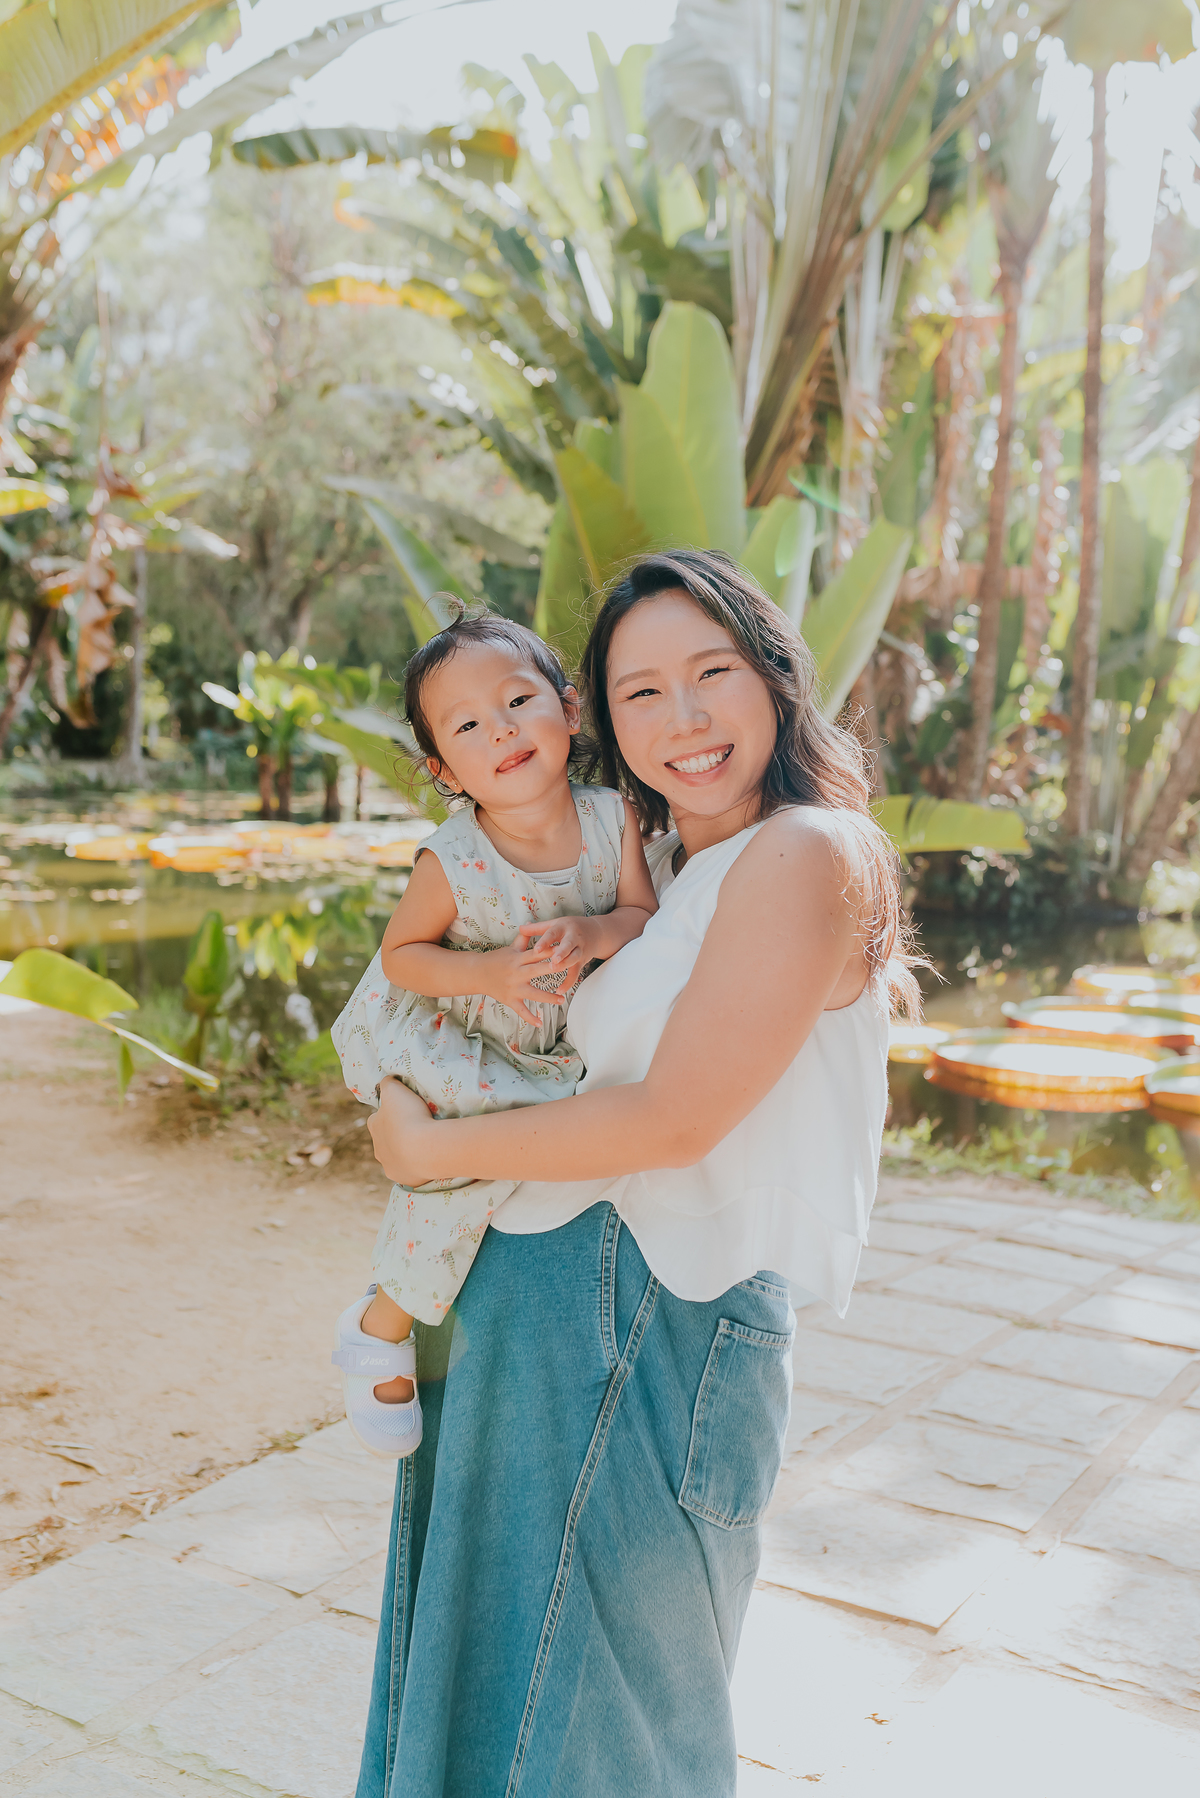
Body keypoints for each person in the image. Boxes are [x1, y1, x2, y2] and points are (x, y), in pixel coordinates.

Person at [356, 550, 921, 1798]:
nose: (684, 718)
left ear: (773, 676)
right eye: (642, 692)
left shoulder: (807, 852)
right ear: (603, 721)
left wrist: (432, 1150)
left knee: (604, 1735)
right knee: (486, 1706)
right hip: (530, 1327)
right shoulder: (658, 868)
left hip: (647, 1330)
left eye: (711, 672)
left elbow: (669, 1119)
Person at [329, 611, 656, 1460]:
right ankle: (381, 1321)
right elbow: (403, 958)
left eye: (518, 700)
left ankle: (385, 1313)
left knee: (513, 1142)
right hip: (449, 1033)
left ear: (570, 708)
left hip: (540, 1045)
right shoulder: (455, 857)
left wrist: (591, 936)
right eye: (469, 725)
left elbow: (637, 915)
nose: (502, 729)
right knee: (485, 1145)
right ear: (443, 767)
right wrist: (487, 973)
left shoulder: (612, 819)